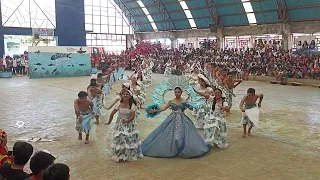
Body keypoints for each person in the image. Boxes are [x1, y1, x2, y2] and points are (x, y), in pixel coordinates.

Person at [142, 87, 210, 158]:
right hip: (172, 119)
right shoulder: (171, 101)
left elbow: (191, 108)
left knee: (184, 134)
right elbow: (163, 108)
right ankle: (171, 149)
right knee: (169, 133)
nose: (177, 93)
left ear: (181, 92)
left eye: (178, 92)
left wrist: (188, 105)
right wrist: (155, 111)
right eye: (176, 92)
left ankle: (182, 149)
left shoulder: (184, 101)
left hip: (183, 119)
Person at [106, 90, 143, 162]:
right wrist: (109, 122)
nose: (125, 95)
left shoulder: (132, 105)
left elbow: (132, 116)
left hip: (129, 124)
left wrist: (126, 120)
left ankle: (128, 155)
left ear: (130, 96)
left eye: (127, 94)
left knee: (128, 139)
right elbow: (112, 114)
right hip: (120, 124)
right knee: (120, 139)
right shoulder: (119, 104)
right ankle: (119, 155)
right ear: (121, 95)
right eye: (124, 94)